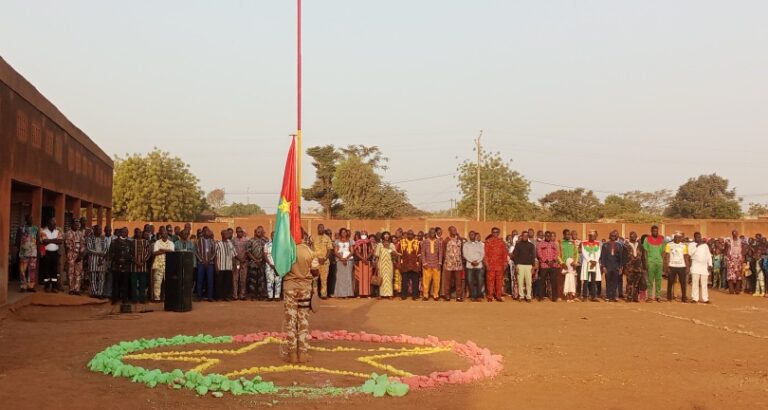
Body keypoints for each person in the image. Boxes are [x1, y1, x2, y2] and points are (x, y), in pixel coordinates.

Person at [280, 230, 317, 364]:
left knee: (291, 321)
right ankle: (303, 353)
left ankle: (292, 354)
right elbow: (315, 271)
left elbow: (280, 270)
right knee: (303, 321)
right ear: (303, 236)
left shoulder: (286, 251)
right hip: (305, 288)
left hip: (290, 287)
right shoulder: (309, 251)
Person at [108, 228, 133, 305]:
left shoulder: (130, 243)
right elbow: (111, 253)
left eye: (126, 232)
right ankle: (114, 299)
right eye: (123, 232)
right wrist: (118, 259)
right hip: (116, 265)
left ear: (128, 233)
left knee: (125, 283)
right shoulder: (114, 242)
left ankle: (124, 299)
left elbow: (132, 254)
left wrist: (126, 260)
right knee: (116, 283)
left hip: (126, 266)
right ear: (120, 233)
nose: (124, 233)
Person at [664, 232, 690, 302]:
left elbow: (686, 257)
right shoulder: (669, 245)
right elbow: (667, 256)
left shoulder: (684, 246)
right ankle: (669, 297)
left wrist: (687, 267)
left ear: (681, 238)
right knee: (670, 283)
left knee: (683, 283)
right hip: (672, 266)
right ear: (674, 238)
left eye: (678, 237)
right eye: (676, 237)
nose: (677, 238)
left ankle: (684, 297)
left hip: (681, 266)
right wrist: (667, 266)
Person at [39, 217, 64, 292]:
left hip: (55, 253)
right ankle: (46, 287)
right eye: (53, 224)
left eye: (55, 224)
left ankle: (54, 287)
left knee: (54, 271)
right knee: (46, 270)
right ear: (49, 224)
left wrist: (49, 240)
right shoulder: (44, 231)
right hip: (47, 253)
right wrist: (54, 240)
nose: (54, 225)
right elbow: (44, 241)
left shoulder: (57, 231)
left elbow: (60, 241)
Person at [17, 215, 40, 293]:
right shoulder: (21, 228)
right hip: (24, 253)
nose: (31, 219)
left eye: (32, 218)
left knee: (32, 270)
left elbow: (37, 240)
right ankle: (23, 286)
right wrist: (20, 249)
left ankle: (30, 286)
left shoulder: (36, 229)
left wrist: (38, 251)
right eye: (29, 218)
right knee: (22, 270)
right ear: (26, 220)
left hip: (33, 253)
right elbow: (17, 240)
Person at [151, 228, 175, 302]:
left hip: (168, 265)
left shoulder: (171, 243)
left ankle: (168, 297)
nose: (165, 235)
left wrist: (162, 250)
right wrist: (166, 251)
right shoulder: (157, 242)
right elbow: (154, 253)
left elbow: (172, 252)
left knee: (168, 283)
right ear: (161, 235)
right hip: (158, 265)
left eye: (166, 234)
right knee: (157, 282)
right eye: (163, 233)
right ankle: (157, 298)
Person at [511, 231, 536, 302]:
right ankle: (521, 296)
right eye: (524, 236)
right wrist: (516, 265)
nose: (525, 237)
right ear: (521, 236)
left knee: (528, 282)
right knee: (520, 281)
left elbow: (533, 257)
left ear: (528, 237)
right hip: (520, 265)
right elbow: (515, 256)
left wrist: (533, 266)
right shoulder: (518, 245)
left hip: (529, 266)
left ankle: (528, 296)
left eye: (526, 236)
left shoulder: (531, 245)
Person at [536, 231, 560, 302]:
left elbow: (557, 253)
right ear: (544, 236)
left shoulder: (554, 244)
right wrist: (546, 261)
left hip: (553, 265)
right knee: (542, 282)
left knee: (554, 282)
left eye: (549, 236)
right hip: (544, 265)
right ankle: (541, 297)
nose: (548, 237)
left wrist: (553, 260)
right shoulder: (540, 244)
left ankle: (554, 297)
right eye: (547, 236)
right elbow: (539, 253)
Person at [622, 232, 647, 303]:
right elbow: (624, 257)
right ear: (630, 237)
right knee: (629, 282)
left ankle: (635, 297)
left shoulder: (640, 245)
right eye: (632, 236)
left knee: (637, 283)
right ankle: (629, 297)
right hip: (629, 267)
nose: (633, 237)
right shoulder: (626, 246)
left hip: (638, 266)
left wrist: (644, 266)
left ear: (636, 237)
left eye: (635, 236)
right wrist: (624, 267)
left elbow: (643, 257)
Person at [485, 227, 508, 302]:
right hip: (491, 265)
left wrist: (505, 263)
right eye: (494, 232)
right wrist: (486, 264)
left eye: (496, 232)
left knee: (499, 281)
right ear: (491, 233)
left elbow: (505, 253)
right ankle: (490, 296)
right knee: (490, 281)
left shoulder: (502, 242)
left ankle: (498, 295)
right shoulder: (488, 242)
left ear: (499, 233)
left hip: (500, 265)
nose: (495, 234)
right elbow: (485, 254)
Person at [600, 230, 624, 302]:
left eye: (614, 236)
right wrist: (603, 266)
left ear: (616, 237)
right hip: (607, 266)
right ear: (609, 236)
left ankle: (614, 296)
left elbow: (621, 257)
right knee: (608, 281)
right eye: (612, 236)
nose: (613, 237)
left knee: (615, 281)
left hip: (616, 266)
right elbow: (603, 256)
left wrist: (620, 267)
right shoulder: (605, 245)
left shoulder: (619, 245)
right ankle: (608, 296)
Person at [86, 225, 109, 299]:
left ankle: (100, 293)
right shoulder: (90, 238)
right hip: (93, 259)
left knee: (101, 278)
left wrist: (103, 254)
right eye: (98, 229)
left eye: (100, 229)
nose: (99, 231)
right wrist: (98, 253)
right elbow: (89, 248)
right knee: (93, 277)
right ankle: (94, 292)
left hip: (102, 260)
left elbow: (106, 248)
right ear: (94, 230)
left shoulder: (104, 238)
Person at [374, 231, 399, 299]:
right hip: (381, 263)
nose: (386, 236)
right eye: (385, 235)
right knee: (381, 278)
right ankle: (381, 294)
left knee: (389, 278)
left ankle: (389, 294)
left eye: (388, 235)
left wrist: (389, 248)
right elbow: (377, 256)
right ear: (383, 236)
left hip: (389, 263)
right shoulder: (379, 245)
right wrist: (376, 265)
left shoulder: (391, 245)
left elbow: (395, 254)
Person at [644, 225, 665, 302]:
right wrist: (646, 262)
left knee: (659, 280)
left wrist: (662, 260)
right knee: (650, 280)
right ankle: (650, 296)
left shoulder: (661, 239)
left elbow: (663, 252)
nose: (655, 232)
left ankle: (658, 296)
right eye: (654, 231)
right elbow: (645, 252)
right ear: (651, 231)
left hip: (659, 262)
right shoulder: (647, 239)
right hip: (651, 262)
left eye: (656, 231)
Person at [689, 232, 713, 304]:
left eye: (700, 237)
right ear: (694, 238)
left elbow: (708, 255)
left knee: (704, 283)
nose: (699, 238)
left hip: (704, 267)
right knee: (695, 283)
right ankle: (695, 298)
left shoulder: (705, 245)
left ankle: (705, 298)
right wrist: (697, 246)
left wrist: (710, 264)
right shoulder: (691, 245)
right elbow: (690, 253)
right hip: (695, 266)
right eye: (697, 237)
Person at [442, 226, 464, 301]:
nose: (455, 231)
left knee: (458, 280)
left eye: (455, 229)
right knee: (447, 280)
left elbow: (461, 250)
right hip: (449, 263)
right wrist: (446, 260)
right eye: (453, 230)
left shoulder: (459, 240)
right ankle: (447, 295)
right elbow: (443, 251)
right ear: (449, 231)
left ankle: (458, 296)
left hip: (458, 264)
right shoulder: (446, 240)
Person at [246, 227, 269, 300]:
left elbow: (266, 251)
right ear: (255, 232)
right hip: (253, 263)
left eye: (261, 232)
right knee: (253, 280)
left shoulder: (265, 240)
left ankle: (260, 295)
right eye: (258, 232)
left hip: (262, 262)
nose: (260, 233)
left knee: (261, 280)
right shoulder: (251, 241)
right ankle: (253, 295)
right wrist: (255, 260)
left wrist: (261, 259)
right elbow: (248, 252)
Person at [399, 230, 421, 301]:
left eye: (412, 234)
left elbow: (419, 255)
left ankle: (415, 295)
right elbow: (399, 254)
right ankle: (403, 295)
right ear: (407, 234)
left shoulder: (417, 243)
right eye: (409, 234)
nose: (410, 235)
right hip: (405, 264)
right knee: (404, 281)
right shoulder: (401, 242)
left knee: (415, 281)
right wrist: (400, 264)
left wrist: (419, 265)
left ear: (414, 235)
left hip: (415, 265)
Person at [194, 227, 216, 302]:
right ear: (203, 233)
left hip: (210, 264)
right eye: (205, 231)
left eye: (208, 231)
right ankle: (199, 296)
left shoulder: (212, 241)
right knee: (200, 280)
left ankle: (210, 297)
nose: (207, 232)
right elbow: (196, 252)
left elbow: (214, 252)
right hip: (201, 263)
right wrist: (202, 260)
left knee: (210, 280)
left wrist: (209, 260)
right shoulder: (198, 241)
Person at [420, 228, 443, 301]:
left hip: (436, 264)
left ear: (435, 233)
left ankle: (436, 295)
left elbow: (440, 253)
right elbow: (423, 253)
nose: (432, 234)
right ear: (429, 233)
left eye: (433, 232)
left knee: (437, 281)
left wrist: (440, 263)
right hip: (427, 265)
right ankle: (425, 295)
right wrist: (424, 263)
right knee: (426, 281)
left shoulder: (438, 242)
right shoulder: (424, 242)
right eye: (431, 232)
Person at [312, 224, 333, 299]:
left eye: (322, 228)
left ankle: (323, 294)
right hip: (315, 261)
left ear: (324, 229)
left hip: (325, 261)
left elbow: (329, 249)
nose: (321, 229)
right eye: (319, 228)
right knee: (315, 279)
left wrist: (324, 258)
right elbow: (311, 249)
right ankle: (315, 294)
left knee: (324, 279)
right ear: (317, 229)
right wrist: (316, 258)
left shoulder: (327, 238)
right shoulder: (313, 237)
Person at [214, 229, 236, 301]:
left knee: (228, 282)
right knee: (219, 282)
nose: (227, 234)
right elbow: (215, 256)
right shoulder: (218, 244)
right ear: (222, 235)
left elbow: (233, 255)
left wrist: (233, 265)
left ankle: (226, 296)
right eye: (225, 233)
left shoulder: (230, 244)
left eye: (228, 233)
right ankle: (219, 296)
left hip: (228, 266)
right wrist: (216, 266)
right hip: (221, 266)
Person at [65, 219, 85, 295]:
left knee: (78, 273)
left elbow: (83, 245)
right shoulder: (67, 233)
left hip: (79, 255)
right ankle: (71, 289)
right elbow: (66, 245)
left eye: (78, 224)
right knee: (70, 272)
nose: (77, 225)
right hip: (70, 255)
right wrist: (67, 256)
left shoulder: (80, 234)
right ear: (72, 224)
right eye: (75, 224)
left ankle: (77, 289)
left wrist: (80, 255)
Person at [131, 230, 153, 303]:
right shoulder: (132, 242)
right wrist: (136, 262)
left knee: (142, 284)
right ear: (135, 234)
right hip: (134, 267)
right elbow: (129, 253)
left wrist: (143, 261)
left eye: (140, 233)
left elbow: (149, 252)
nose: (139, 234)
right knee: (134, 284)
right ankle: (134, 299)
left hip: (143, 266)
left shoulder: (146, 242)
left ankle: (142, 299)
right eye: (138, 232)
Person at [463, 231, 485, 302]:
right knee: (470, 281)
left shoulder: (480, 244)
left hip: (479, 265)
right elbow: (465, 254)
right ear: (469, 236)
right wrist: (472, 261)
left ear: (475, 235)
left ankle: (478, 296)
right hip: (469, 265)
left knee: (480, 281)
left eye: (473, 234)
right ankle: (472, 296)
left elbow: (482, 254)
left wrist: (477, 261)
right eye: (470, 235)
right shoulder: (466, 244)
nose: (471, 236)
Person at [580, 231, 602, 302]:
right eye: (591, 235)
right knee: (585, 280)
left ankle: (593, 296)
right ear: (589, 236)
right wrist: (590, 261)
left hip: (595, 264)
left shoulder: (598, 243)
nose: (593, 237)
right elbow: (584, 253)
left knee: (593, 281)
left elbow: (598, 253)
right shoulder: (584, 243)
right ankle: (584, 296)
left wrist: (595, 261)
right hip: (587, 263)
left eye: (594, 236)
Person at [333, 228, 355, 298]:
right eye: (342, 232)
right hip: (340, 260)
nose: (344, 233)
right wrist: (341, 258)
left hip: (348, 260)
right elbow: (335, 252)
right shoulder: (337, 241)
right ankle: (340, 294)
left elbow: (352, 251)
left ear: (346, 233)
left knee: (348, 276)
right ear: (340, 233)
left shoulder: (350, 241)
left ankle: (347, 294)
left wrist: (346, 258)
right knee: (340, 276)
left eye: (345, 232)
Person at [353, 231, 374, 298]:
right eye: (362, 234)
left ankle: (368, 293)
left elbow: (371, 251)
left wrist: (366, 258)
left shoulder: (369, 242)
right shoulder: (357, 242)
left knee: (368, 278)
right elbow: (356, 252)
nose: (364, 235)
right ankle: (359, 294)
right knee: (359, 278)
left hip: (368, 262)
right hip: (359, 262)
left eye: (365, 234)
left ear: (367, 235)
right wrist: (362, 258)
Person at [559, 229, 578, 301]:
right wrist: (562, 263)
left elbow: (576, 254)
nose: (568, 236)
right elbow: (558, 254)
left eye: (569, 234)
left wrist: (575, 263)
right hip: (564, 265)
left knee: (572, 281)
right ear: (563, 235)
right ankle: (564, 296)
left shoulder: (573, 243)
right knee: (564, 281)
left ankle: (572, 296)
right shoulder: (560, 243)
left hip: (572, 265)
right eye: (567, 234)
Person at [232, 227, 250, 301]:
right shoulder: (233, 240)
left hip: (244, 262)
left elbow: (247, 250)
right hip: (236, 261)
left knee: (243, 279)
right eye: (238, 232)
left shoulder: (246, 240)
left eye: (241, 232)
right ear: (236, 232)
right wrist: (239, 258)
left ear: (242, 232)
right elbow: (232, 251)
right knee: (235, 279)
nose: (239, 233)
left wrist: (243, 258)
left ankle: (242, 295)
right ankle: (235, 295)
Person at [724, 230, 745, 294]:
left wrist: (743, 257)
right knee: (730, 275)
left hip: (739, 259)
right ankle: (731, 289)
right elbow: (725, 249)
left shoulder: (741, 241)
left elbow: (743, 249)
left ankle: (737, 290)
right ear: (732, 234)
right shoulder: (728, 241)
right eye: (733, 233)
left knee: (738, 275)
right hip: (731, 259)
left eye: (736, 233)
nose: (735, 234)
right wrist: (726, 256)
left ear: (738, 234)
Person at [264, 231, 281, 301]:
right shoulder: (267, 244)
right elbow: (265, 255)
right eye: (272, 235)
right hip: (269, 266)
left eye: (275, 235)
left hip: (278, 266)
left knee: (278, 281)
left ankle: (277, 296)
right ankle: (270, 296)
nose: (274, 236)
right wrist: (270, 264)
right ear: (271, 236)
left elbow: (282, 256)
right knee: (269, 281)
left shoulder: (281, 245)